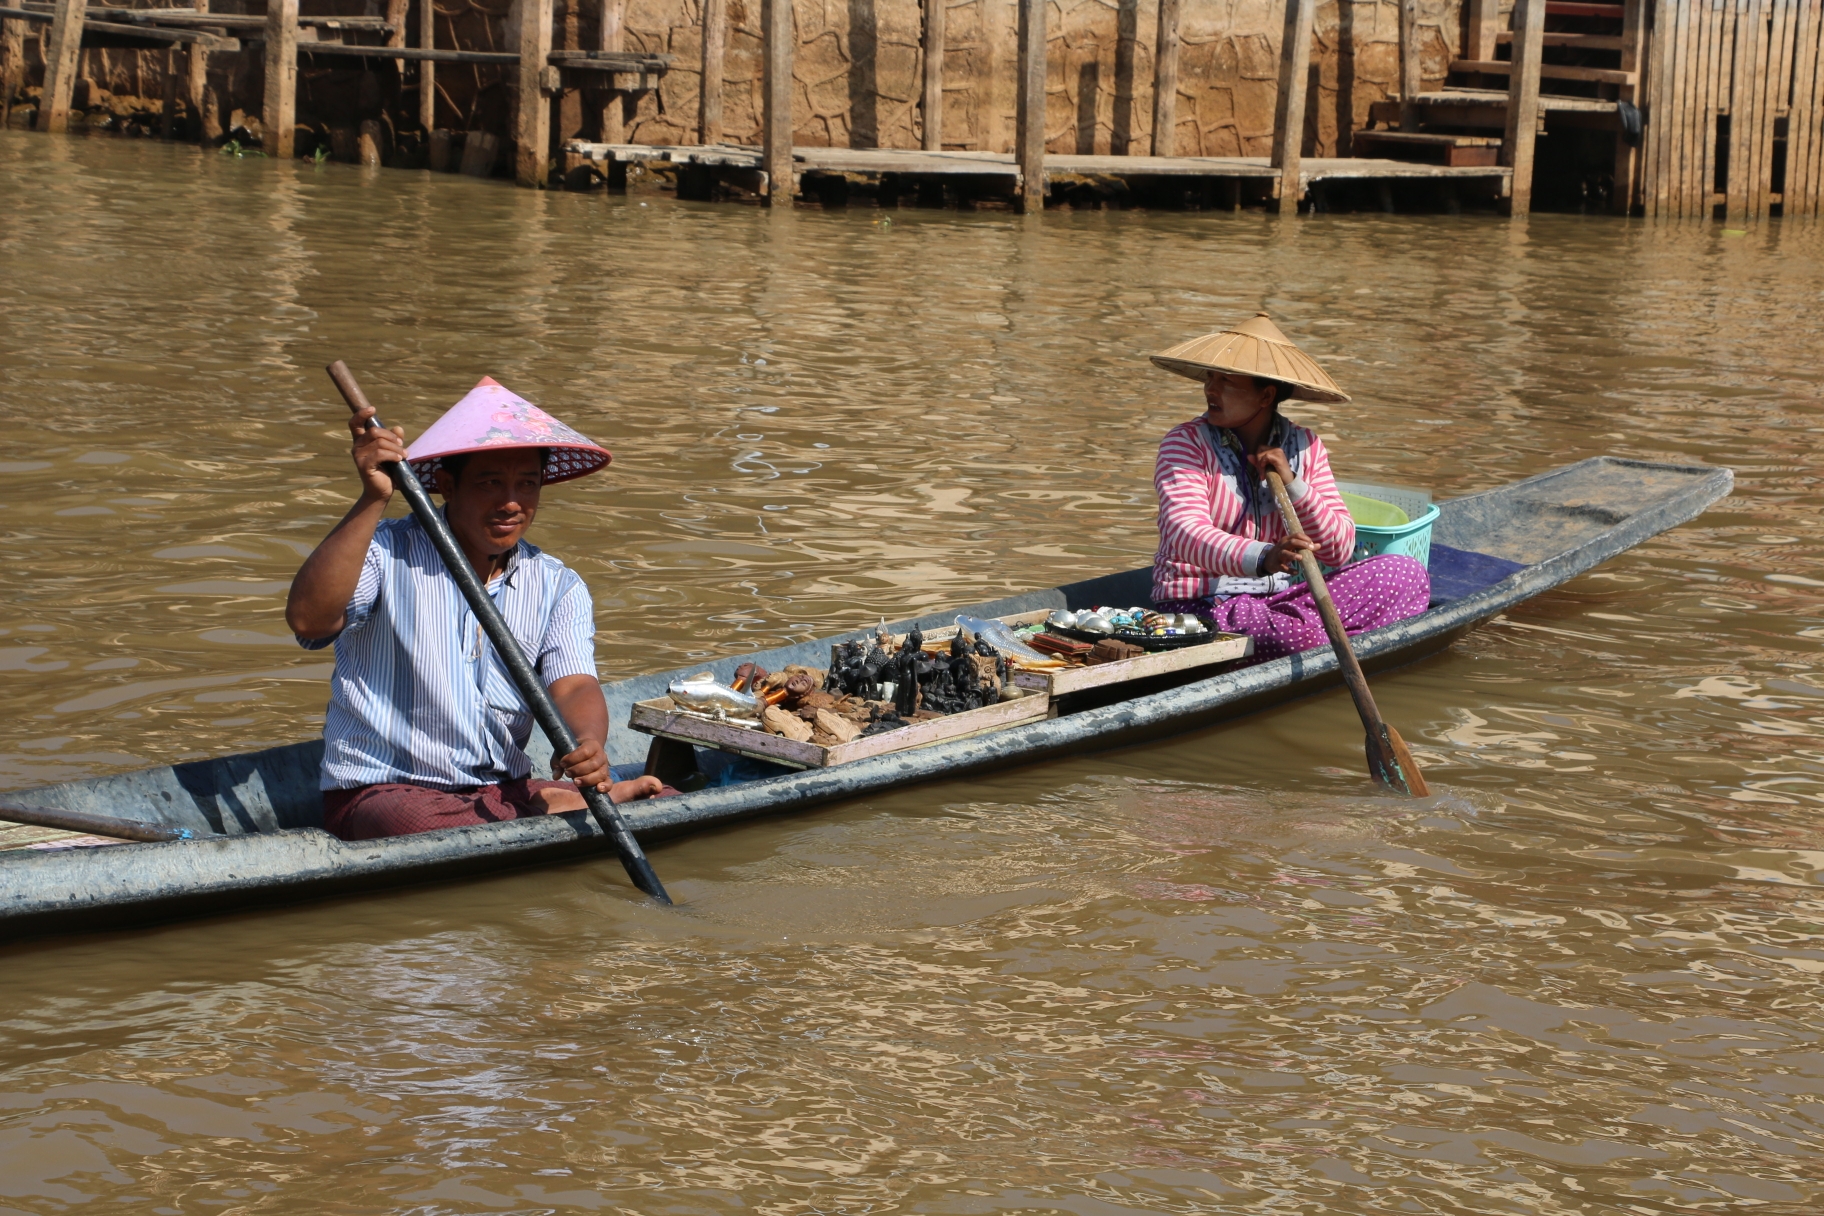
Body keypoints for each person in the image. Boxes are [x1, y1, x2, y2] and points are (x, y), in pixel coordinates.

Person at [286, 376, 665, 842]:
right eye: (490, 483)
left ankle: (547, 804)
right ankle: (552, 808)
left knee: (666, 801)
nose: (511, 503)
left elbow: (573, 684)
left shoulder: (556, 583)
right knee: (416, 824)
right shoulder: (384, 551)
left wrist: (589, 744)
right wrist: (373, 498)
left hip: (502, 790)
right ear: (446, 484)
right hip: (386, 792)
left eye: (527, 484)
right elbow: (309, 622)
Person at [1148, 313, 1430, 660]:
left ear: (1265, 396)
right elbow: (1184, 534)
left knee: (1407, 574)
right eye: (1210, 377)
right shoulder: (1185, 442)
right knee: (1300, 639)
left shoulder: (1305, 446)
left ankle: (1317, 640)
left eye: (1226, 381)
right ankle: (1322, 642)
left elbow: (1338, 550)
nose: (1210, 389)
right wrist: (1264, 556)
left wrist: (1294, 485)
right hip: (1201, 605)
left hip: (1279, 599)